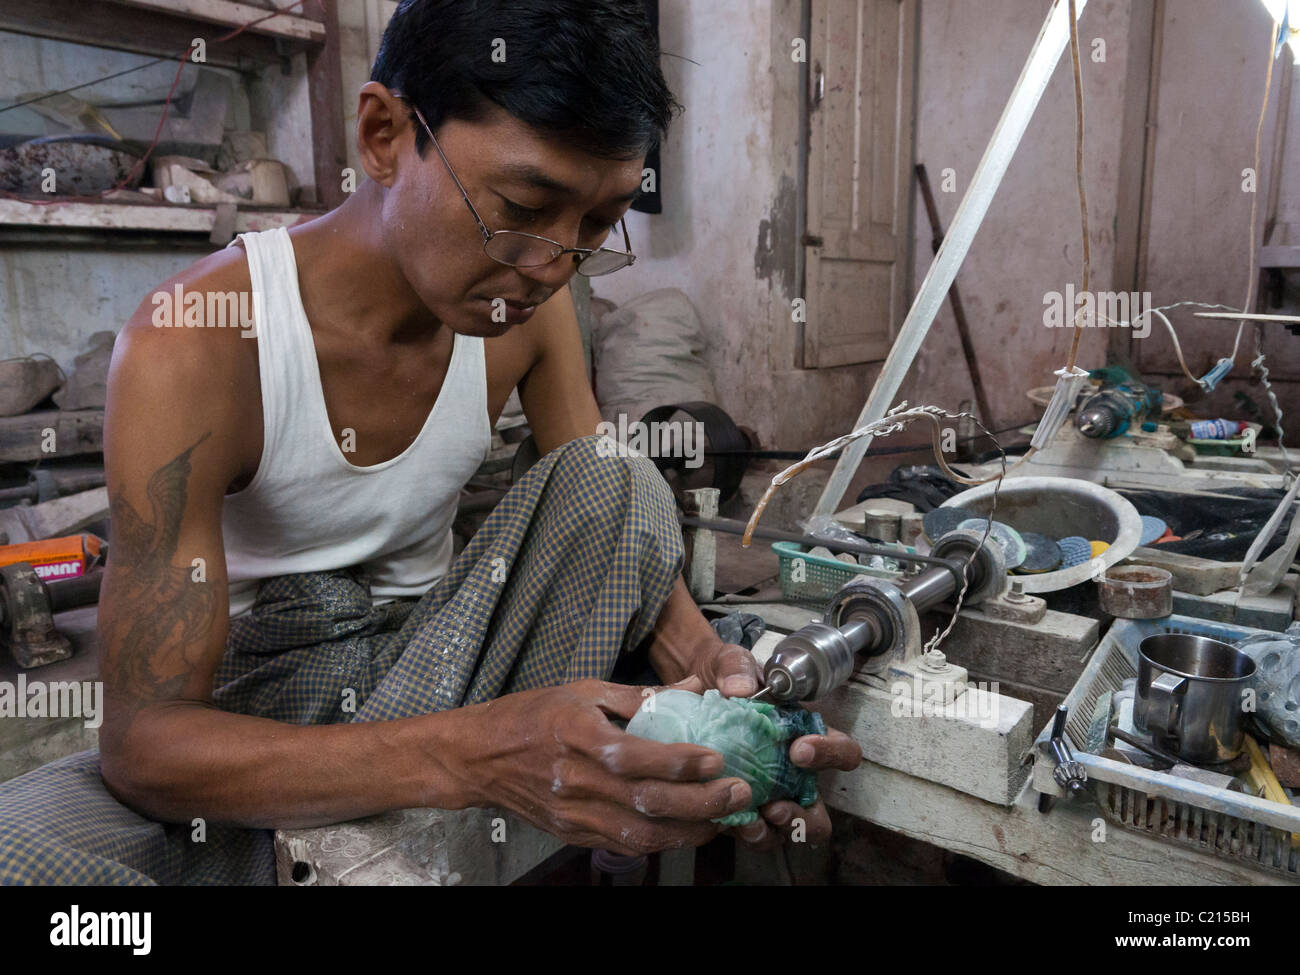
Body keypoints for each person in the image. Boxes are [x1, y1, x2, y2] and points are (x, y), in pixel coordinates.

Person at [0, 0, 859, 885]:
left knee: (618, 478)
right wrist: (475, 755)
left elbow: (615, 529)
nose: (554, 265)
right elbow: (144, 746)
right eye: (526, 207)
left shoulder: (535, 305)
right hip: (258, 735)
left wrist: (713, 673)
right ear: (382, 134)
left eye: (598, 225)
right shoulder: (195, 342)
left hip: (440, 662)